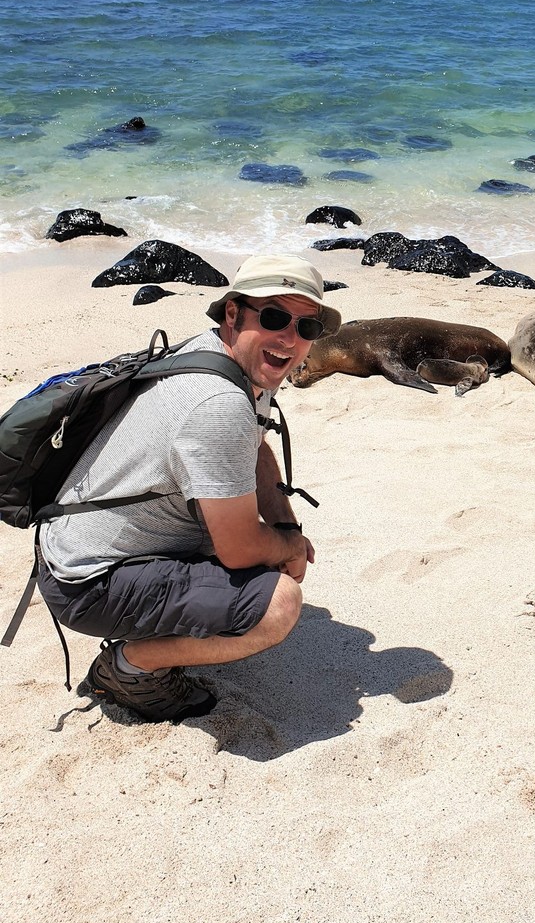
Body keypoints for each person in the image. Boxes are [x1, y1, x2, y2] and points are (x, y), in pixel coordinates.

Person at [36, 254, 340, 724]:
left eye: (307, 327)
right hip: (88, 580)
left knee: (266, 555)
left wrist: (282, 521)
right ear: (233, 315)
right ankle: (129, 668)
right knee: (277, 606)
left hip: (81, 540)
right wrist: (291, 545)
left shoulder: (228, 359)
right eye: (276, 317)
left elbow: (256, 445)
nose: (290, 339)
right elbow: (239, 550)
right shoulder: (217, 402)